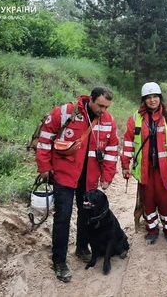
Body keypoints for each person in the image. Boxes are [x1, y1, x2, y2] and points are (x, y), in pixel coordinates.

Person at [35, 86, 119, 282]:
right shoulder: (65, 112)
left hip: (89, 177)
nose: (103, 111)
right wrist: (44, 166)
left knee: (86, 216)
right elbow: (45, 138)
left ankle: (82, 248)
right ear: (90, 99)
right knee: (63, 216)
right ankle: (59, 261)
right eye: (100, 106)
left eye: (106, 107)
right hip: (64, 174)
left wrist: (107, 175)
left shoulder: (108, 121)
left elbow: (112, 149)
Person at [121, 82, 167, 246]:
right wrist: (125, 165)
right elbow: (128, 142)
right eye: (148, 97)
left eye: (155, 97)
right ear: (144, 99)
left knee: (165, 200)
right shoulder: (136, 118)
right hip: (145, 169)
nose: (152, 100)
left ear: (160, 98)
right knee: (148, 199)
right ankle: (151, 230)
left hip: (165, 170)